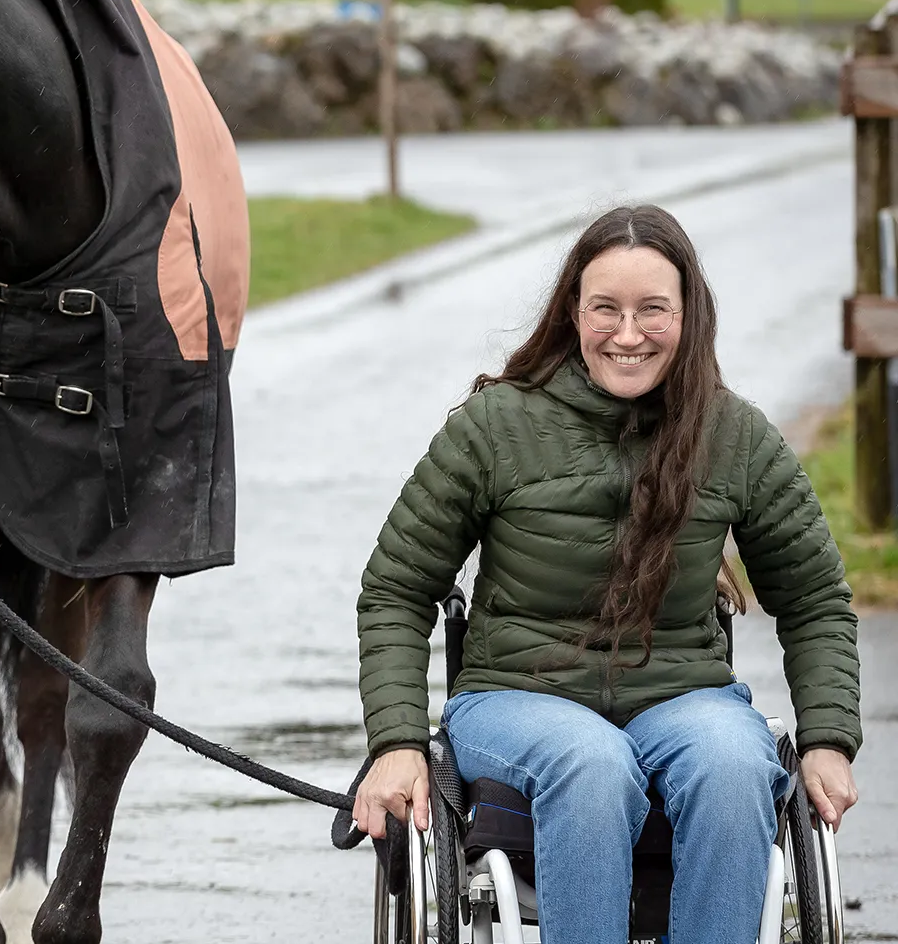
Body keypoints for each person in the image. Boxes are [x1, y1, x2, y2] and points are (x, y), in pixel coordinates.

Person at [351, 206, 859, 942]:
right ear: (573, 313)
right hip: (516, 697)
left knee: (734, 766)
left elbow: (814, 599)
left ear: (690, 316)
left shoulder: (733, 435)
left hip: (683, 695)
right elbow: (396, 589)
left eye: (653, 310)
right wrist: (396, 742)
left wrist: (829, 740)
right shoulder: (495, 427)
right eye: (606, 310)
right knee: (591, 761)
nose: (628, 334)